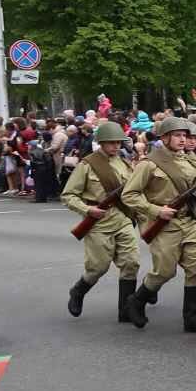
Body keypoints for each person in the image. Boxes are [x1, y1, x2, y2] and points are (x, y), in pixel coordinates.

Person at [119, 116, 196, 333]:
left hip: (190, 221)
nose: (182, 139)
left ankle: (192, 317)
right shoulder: (149, 163)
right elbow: (129, 195)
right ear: (165, 137)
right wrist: (156, 210)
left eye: (184, 135)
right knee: (165, 271)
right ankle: (137, 301)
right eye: (177, 135)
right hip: (164, 225)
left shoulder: (191, 161)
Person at [61, 121, 141, 322]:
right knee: (98, 267)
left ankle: (126, 310)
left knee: (131, 262)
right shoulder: (87, 164)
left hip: (122, 219)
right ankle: (78, 292)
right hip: (99, 224)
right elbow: (68, 195)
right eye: (111, 143)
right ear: (101, 142)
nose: (116, 146)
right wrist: (88, 210)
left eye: (118, 142)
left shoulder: (123, 162)